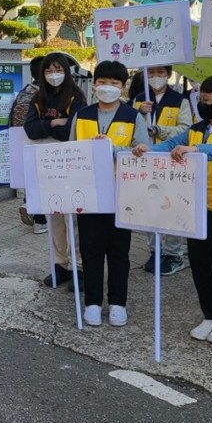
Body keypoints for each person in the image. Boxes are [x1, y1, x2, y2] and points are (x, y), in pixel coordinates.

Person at [133, 75, 212, 346]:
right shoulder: (197, 128)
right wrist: (146, 151)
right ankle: (210, 314)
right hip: (194, 207)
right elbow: (169, 146)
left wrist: (196, 149)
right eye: (200, 99)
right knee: (200, 265)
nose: (202, 104)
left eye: (207, 100)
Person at [70, 61, 149, 327]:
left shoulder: (132, 115)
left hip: (120, 192)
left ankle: (117, 303)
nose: (108, 88)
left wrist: (112, 149)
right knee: (90, 251)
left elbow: (143, 151)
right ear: (94, 85)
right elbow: (71, 151)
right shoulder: (82, 114)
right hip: (88, 192)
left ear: (123, 87)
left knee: (118, 251)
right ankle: (92, 303)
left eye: (115, 83)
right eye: (103, 82)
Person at [23, 52, 87, 285]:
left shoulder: (76, 97)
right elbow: (29, 129)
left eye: (58, 70)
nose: (53, 75)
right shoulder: (38, 98)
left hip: (71, 164)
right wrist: (52, 123)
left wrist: (49, 128)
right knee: (54, 216)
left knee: (74, 219)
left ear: (66, 72)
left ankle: (78, 267)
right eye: (48, 71)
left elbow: (71, 130)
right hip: (46, 166)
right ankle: (60, 264)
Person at [133, 65, 192, 275]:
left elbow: (186, 129)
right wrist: (139, 113)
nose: (156, 78)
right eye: (151, 73)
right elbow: (132, 126)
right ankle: (154, 250)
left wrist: (159, 130)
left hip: (172, 160)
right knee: (148, 204)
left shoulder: (180, 100)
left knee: (172, 205)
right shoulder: (139, 99)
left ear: (168, 75)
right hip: (145, 160)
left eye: (160, 73)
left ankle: (174, 254)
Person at [10, 57, 48, 234]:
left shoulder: (24, 92)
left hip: (19, 141)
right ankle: (40, 220)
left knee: (30, 180)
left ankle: (29, 205)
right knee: (43, 182)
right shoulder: (44, 95)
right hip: (39, 141)